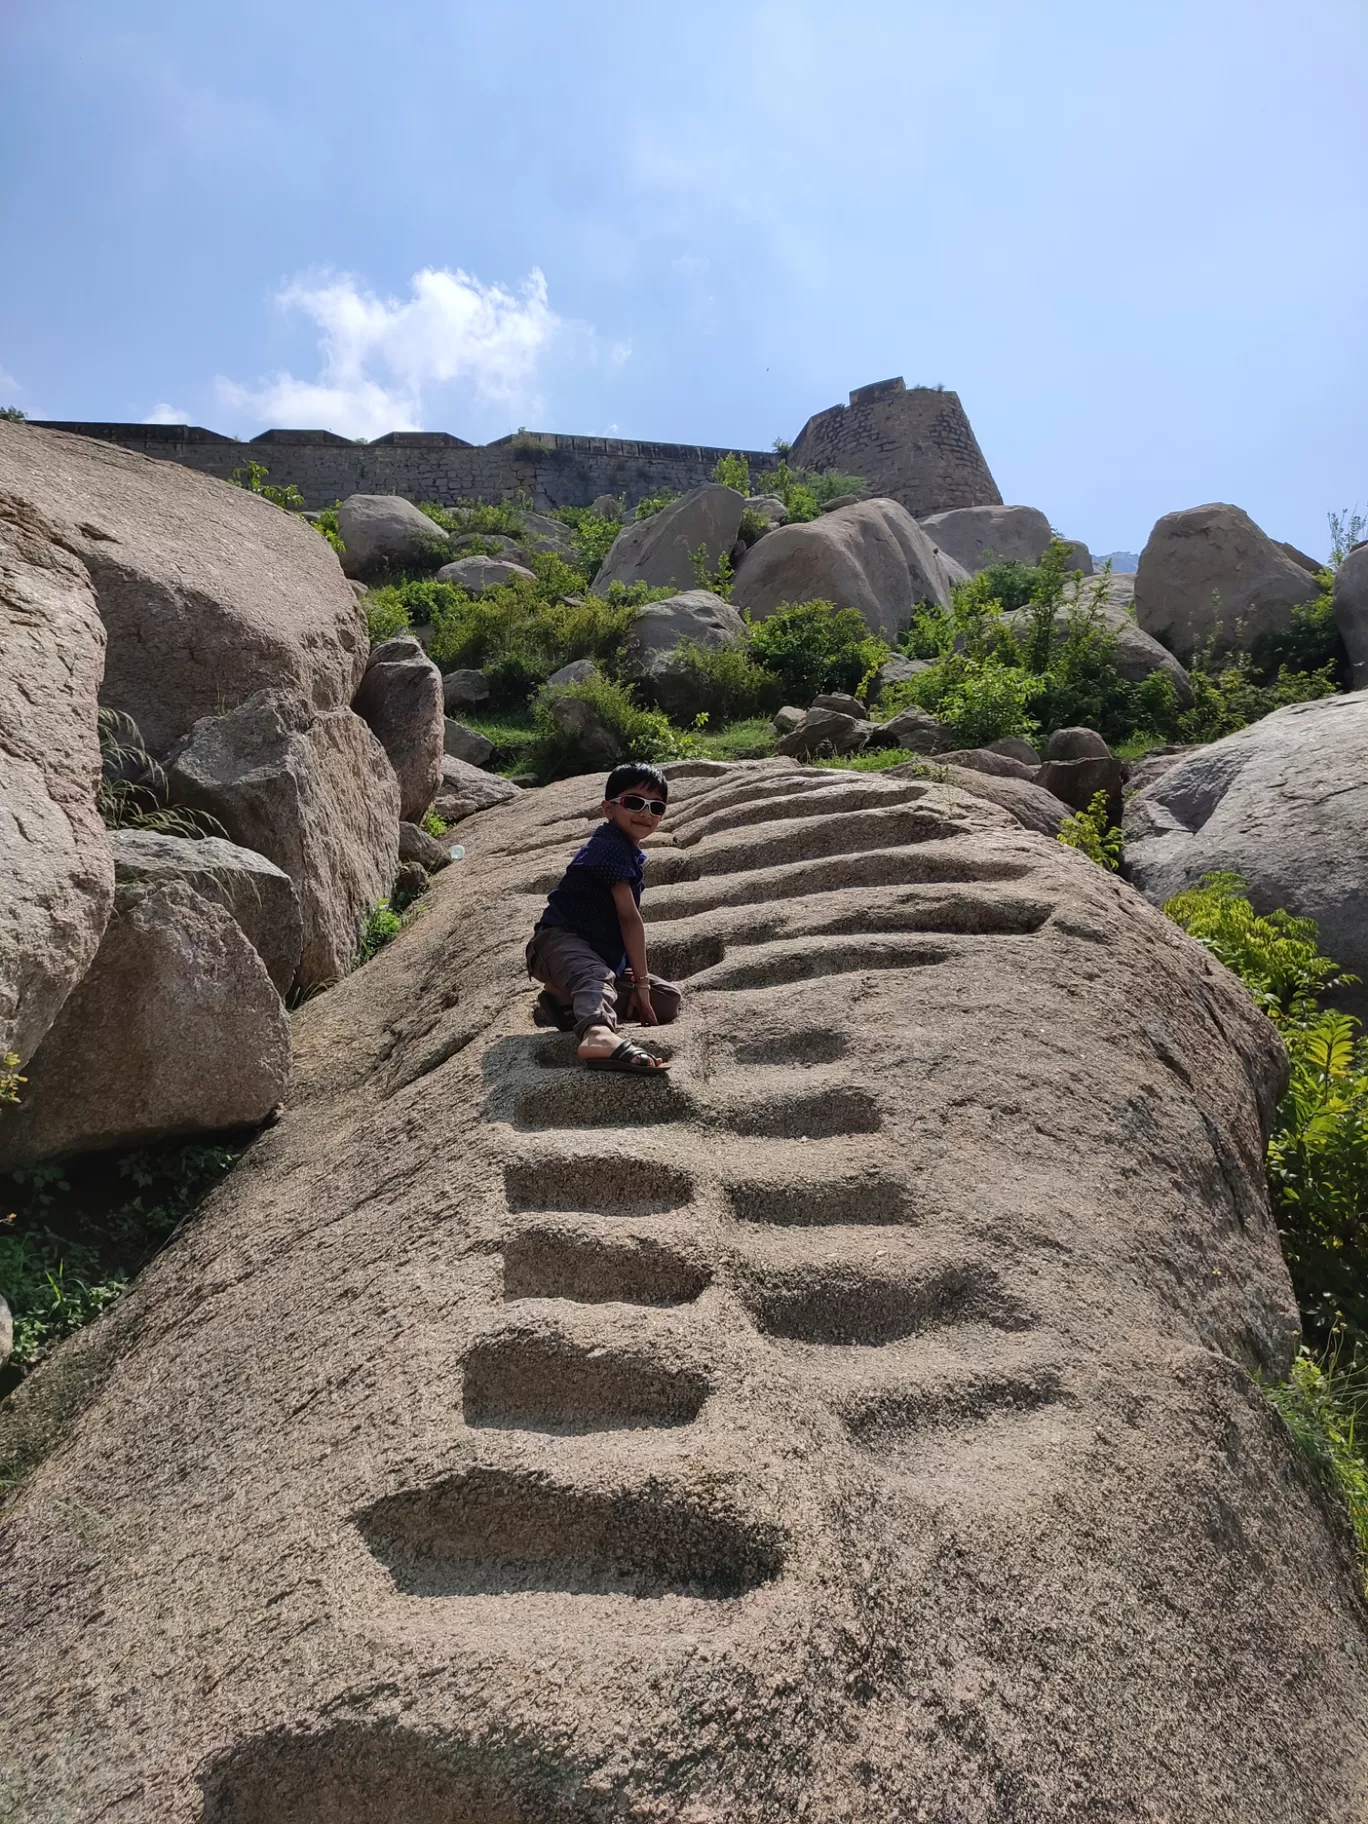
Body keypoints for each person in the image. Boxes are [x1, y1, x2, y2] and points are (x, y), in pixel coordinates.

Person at [526, 762, 681, 1072]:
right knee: (597, 977)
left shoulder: (627, 851)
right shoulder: (607, 846)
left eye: (656, 807)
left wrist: (643, 989)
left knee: (666, 999)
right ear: (608, 809)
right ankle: (597, 1034)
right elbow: (628, 918)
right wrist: (639, 985)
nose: (646, 813)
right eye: (634, 802)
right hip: (559, 941)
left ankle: (565, 1003)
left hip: (599, 958)